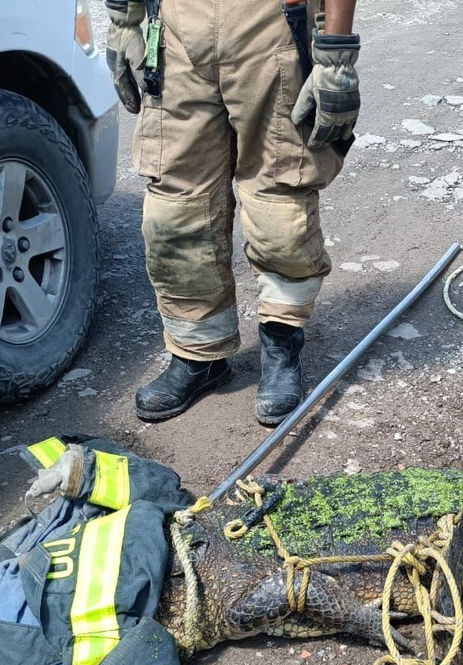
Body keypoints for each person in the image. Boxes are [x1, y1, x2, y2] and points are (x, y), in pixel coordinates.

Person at [106, 0, 359, 426]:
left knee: (281, 205)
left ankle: (281, 342)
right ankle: (198, 353)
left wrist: (335, 56)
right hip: (177, 32)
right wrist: (124, 21)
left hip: (270, 27)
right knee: (175, 211)